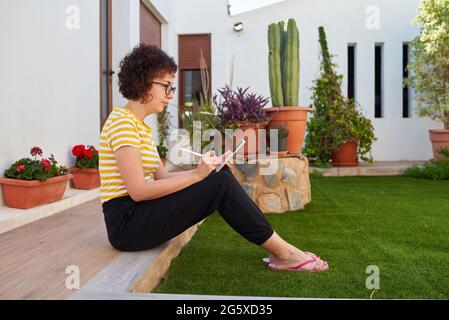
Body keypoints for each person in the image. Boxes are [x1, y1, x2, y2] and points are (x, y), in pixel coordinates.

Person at [98, 44, 328, 272]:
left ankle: (280, 250)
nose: (170, 95)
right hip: (127, 224)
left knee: (219, 174)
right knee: (220, 183)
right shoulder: (122, 124)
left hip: (141, 213)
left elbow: (162, 177)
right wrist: (198, 176)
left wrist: (203, 170)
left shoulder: (140, 127)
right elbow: (138, 190)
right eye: (166, 86)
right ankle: (284, 253)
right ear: (144, 81)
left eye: (172, 87)